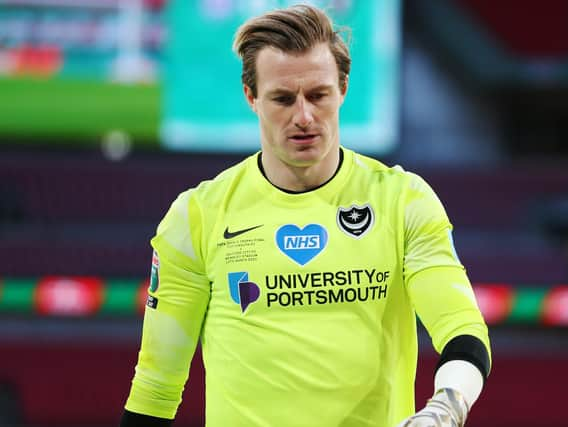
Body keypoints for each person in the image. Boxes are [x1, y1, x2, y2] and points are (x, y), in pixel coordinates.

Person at [120, 4, 491, 427]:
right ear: (251, 97)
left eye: (318, 95)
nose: (304, 117)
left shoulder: (402, 201)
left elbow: (463, 331)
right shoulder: (196, 217)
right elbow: (156, 386)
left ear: (343, 89)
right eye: (282, 98)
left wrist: (445, 409)